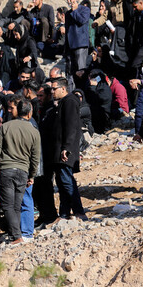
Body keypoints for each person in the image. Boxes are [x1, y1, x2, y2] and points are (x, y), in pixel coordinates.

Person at [0, 99, 40, 244]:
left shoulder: (6, 127)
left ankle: (16, 236)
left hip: (6, 170)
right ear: (29, 113)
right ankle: (16, 234)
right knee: (16, 205)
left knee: (8, 205)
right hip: (23, 171)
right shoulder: (34, 131)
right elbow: (36, 157)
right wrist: (32, 175)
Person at [50, 77, 87, 220]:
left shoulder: (70, 101)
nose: (52, 91)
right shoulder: (64, 102)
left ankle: (79, 211)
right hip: (61, 149)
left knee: (66, 180)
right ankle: (64, 214)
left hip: (65, 151)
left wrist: (66, 148)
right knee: (61, 181)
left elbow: (71, 126)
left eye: (55, 88)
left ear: (63, 89)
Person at [64, 0, 91, 90]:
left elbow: (82, 21)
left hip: (80, 44)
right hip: (70, 46)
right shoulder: (68, 13)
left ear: (76, 0)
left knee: (80, 71)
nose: (69, 2)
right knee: (70, 72)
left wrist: (75, 11)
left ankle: (81, 92)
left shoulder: (84, 10)